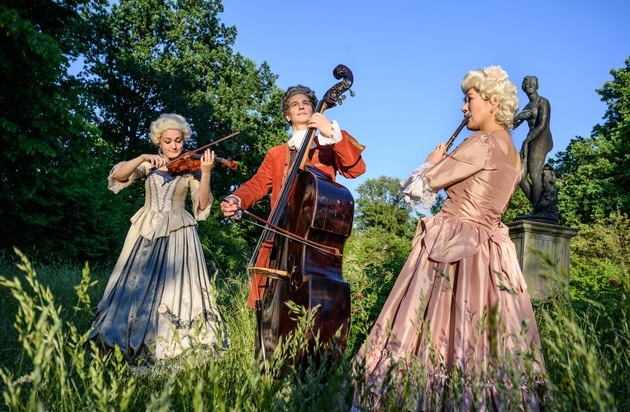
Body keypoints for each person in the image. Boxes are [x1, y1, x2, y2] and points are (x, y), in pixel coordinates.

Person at [353, 66, 546, 410]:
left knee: (434, 330)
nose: (463, 107)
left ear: (491, 102)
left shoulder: (483, 143)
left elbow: (418, 189)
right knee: (481, 340)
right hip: (492, 255)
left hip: (456, 246)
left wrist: (430, 163)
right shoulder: (514, 155)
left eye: (468, 99)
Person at [89, 113, 229, 363]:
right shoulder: (149, 164)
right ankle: (130, 336)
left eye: (178, 140)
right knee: (136, 282)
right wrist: (142, 157)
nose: (174, 146)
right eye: (168, 141)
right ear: (159, 142)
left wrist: (206, 173)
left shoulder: (190, 171)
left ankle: (172, 341)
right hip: (146, 229)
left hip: (178, 233)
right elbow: (119, 176)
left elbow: (202, 206)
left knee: (177, 287)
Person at [220, 85, 366, 310]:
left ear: (316, 110)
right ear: (287, 115)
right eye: (294, 104)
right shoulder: (276, 153)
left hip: (315, 235)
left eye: (306, 103)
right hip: (280, 233)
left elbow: (356, 170)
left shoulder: (329, 145)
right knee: (269, 302)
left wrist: (331, 133)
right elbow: (257, 184)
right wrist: (237, 199)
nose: (301, 106)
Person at [513, 75, 553, 212]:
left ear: (537, 86)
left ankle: (539, 211)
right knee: (520, 176)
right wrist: (519, 117)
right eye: (526, 83)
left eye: (532, 83)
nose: (529, 85)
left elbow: (542, 125)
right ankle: (539, 208)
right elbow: (512, 126)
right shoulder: (528, 106)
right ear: (523, 87)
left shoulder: (543, 102)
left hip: (542, 138)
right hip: (530, 139)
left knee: (534, 174)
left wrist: (526, 141)